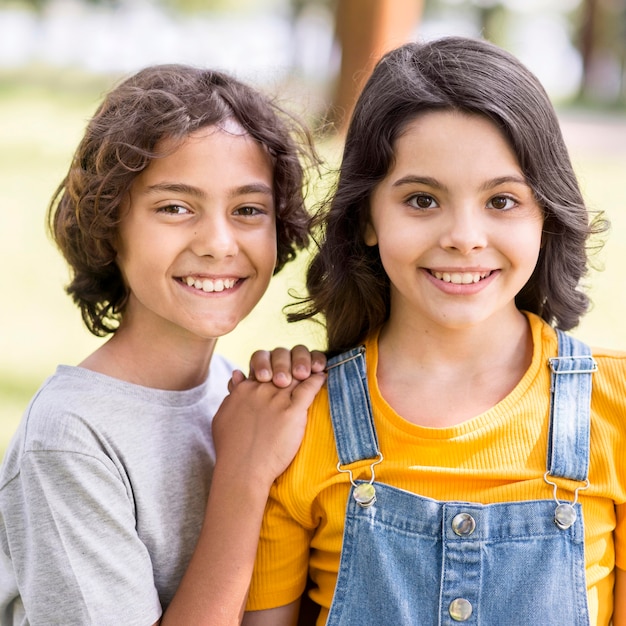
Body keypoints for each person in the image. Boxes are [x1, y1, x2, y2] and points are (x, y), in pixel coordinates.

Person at [243, 36, 626, 625]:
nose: (463, 236)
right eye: (422, 200)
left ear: (545, 215)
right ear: (367, 217)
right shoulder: (298, 420)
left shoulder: (615, 408)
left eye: (501, 200)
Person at [0, 64, 327, 625]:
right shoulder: (71, 438)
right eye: (175, 208)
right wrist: (244, 475)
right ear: (109, 225)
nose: (218, 244)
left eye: (248, 210)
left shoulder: (239, 398)